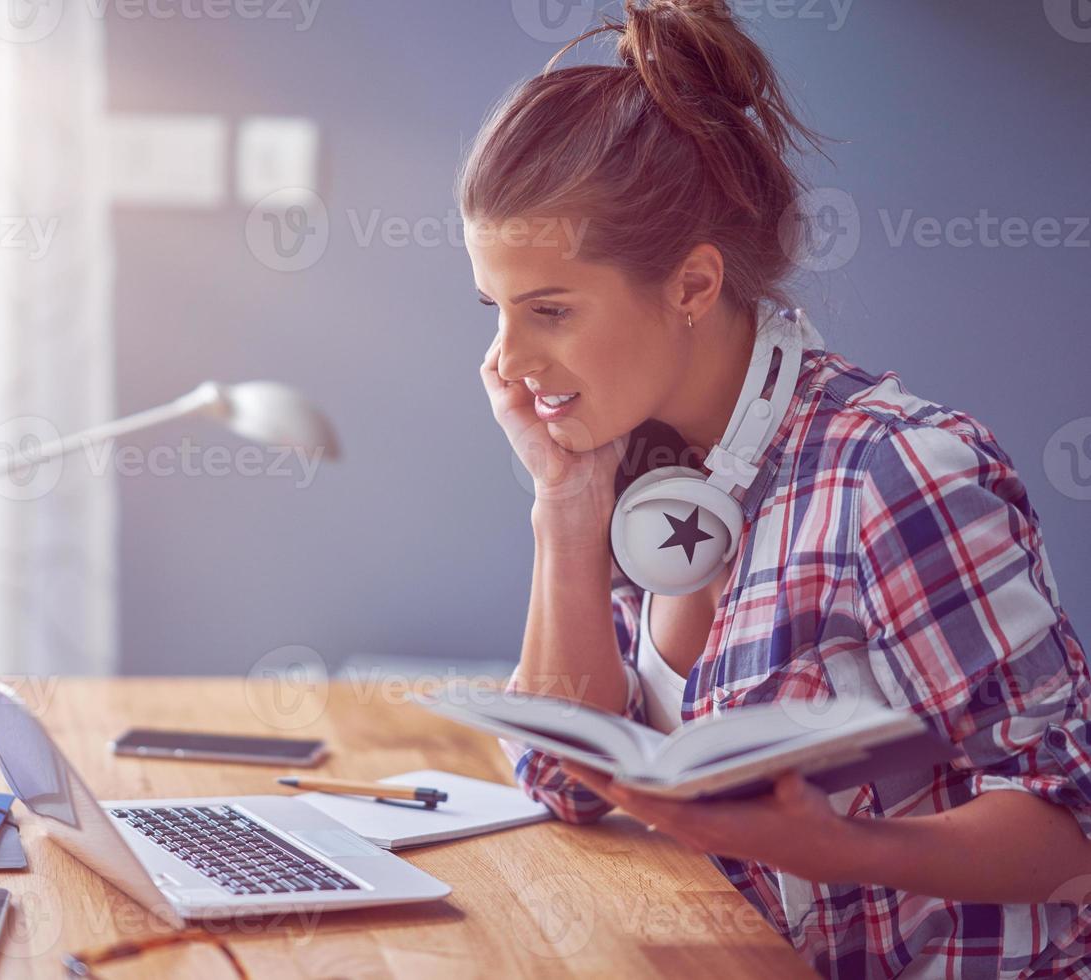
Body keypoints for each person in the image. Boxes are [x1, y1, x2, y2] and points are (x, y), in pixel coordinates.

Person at [460, 1, 1091, 976]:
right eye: (497, 309)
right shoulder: (649, 469)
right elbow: (566, 776)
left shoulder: (896, 471)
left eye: (549, 309)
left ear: (693, 286)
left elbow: (1071, 833)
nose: (507, 359)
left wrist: (838, 848)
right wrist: (565, 501)